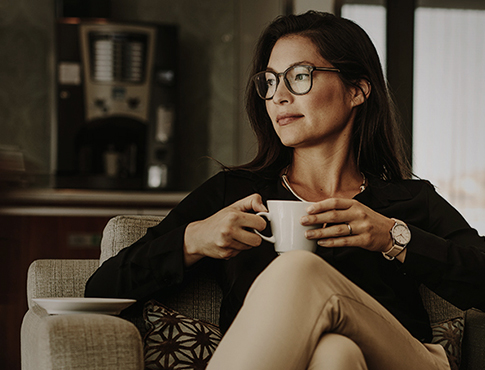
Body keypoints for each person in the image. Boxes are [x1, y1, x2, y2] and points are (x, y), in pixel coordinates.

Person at [85, 11, 485, 370]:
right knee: (335, 355)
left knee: (299, 267)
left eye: (299, 76)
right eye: (271, 80)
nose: (278, 96)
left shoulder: (406, 202)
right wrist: (194, 239)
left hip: (407, 363)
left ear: (357, 90)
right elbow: (100, 289)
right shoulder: (235, 194)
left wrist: (392, 237)